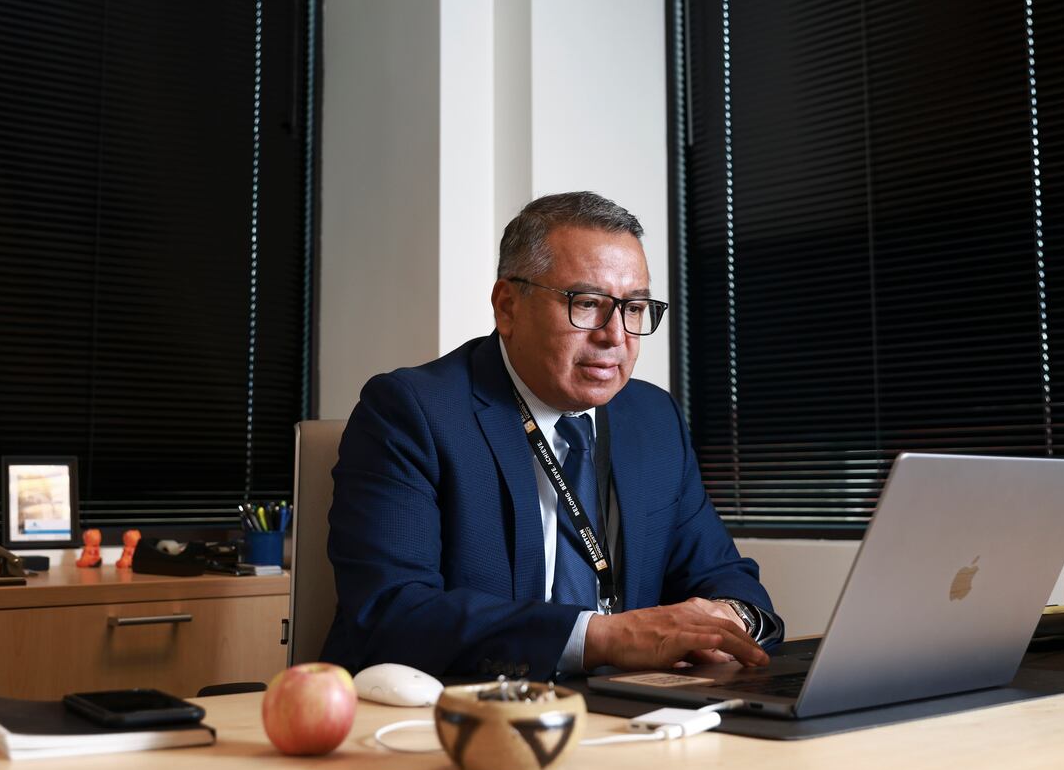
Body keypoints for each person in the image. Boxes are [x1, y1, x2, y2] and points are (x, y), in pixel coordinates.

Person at [323, 191, 783, 679]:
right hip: (456, 714)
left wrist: (733, 619)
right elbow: (392, 612)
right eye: (587, 304)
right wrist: (603, 637)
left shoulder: (653, 419)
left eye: (634, 308)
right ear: (508, 307)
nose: (615, 336)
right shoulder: (413, 411)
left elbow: (723, 575)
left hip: (626, 716)